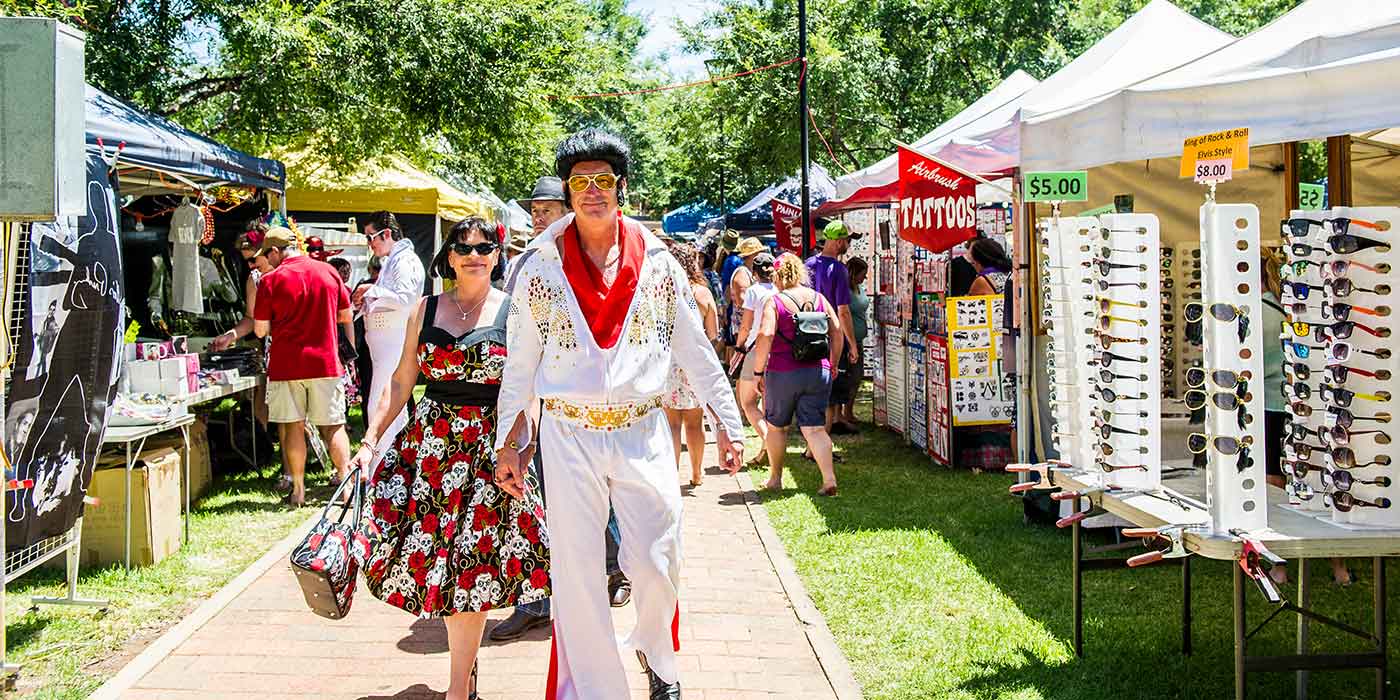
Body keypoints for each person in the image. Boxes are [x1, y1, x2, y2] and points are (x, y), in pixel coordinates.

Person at [495, 128, 744, 700]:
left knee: (659, 561)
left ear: (621, 187)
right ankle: (597, 691)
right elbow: (520, 366)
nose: (590, 192)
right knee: (577, 575)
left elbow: (694, 349)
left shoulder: (657, 262)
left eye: (602, 180)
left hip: (643, 430)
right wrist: (508, 442)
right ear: (567, 189)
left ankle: (658, 657)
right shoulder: (538, 266)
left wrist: (729, 424)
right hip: (567, 434)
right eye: (579, 182)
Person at [352, 217, 548, 700]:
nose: (474, 255)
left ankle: (459, 686)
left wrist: (524, 449)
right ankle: (467, 674)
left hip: (491, 452)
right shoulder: (425, 308)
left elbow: (530, 394)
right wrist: (370, 438)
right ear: (449, 256)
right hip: (431, 451)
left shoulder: (516, 311)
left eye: (485, 247)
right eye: (463, 247)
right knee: (437, 569)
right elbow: (401, 381)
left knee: (474, 571)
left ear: (498, 255)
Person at [489, 175, 631, 644]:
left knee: (599, 494)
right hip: (536, 398)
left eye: (545, 208)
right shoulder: (529, 260)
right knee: (533, 497)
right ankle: (534, 599)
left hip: (583, 407)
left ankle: (615, 569)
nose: (537, 216)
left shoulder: (588, 258)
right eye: (535, 208)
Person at [252, 226, 353, 506]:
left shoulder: (270, 281)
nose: (267, 261)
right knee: (334, 426)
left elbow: (260, 331)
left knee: (293, 427)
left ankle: (298, 491)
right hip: (326, 362)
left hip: (287, 365)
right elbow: (345, 315)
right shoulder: (328, 272)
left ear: (276, 251)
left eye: (267, 255)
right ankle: (346, 487)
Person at [750, 253, 842, 496]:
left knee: (777, 427)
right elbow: (838, 330)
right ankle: (829, 479)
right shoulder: (819, 298)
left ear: (777, 275)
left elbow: (766, 334)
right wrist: (833, 362)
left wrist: (758, 371)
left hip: (783, 373)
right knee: (815, 429)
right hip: (817, 371)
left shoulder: (775, 301)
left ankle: (775, 479)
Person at [353, 211, 425, 464]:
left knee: (383, 409)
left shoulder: (405, 260)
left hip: (394, 345)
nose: (370, 244)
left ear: (386, 234)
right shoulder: (392, 261)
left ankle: (386, 470)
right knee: (382, 409)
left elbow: (405, 298)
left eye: (371, 237)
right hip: (384, 348)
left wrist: (371, 290)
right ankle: (386, 469)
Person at [663, 241, 719, 488]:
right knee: (695, 423)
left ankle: (671, 474)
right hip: (694, 362)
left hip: (668, 363)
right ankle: (697, 473)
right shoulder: (703, 293)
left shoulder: (664, 291)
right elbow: (714, 333)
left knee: (672, 424)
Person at [957, 237, 1014, 472]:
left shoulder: (982, 281)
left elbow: (967, 314)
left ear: (978, 260)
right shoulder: (1009, 276)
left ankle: (989, 454)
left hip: (985, 348)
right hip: (1009, 344)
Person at [806, 220, 861, 436]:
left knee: (811, 391)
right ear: (838, 242)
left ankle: (812, 439)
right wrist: (853, 344)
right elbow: (843, 311)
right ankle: (821, 442)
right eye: (847, 240)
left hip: (808, 334)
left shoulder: (808, 264)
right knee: (830, 392)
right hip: (832, 337)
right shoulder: (839, 270)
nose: (849, 244)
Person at [735, 252, 777, 463]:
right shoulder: (780, 291)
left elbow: (746, 324)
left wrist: (739, 344)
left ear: (754, 273)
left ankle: (772, 444)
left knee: (748, 403)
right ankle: (765, 452)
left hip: (756, 347)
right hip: (777, 350)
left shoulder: (753, 291)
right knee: (767, 407)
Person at [833, 257, 870, 431]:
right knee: (846, 376)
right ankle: (838, 414)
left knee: (856, 377)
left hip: (858, 339)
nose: (864, 278)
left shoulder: (859, 288)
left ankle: (848, 410)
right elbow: (844, 313)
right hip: (848, 341)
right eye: (862, 274)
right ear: (854, 273)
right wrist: (850, 343)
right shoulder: (844, 290)